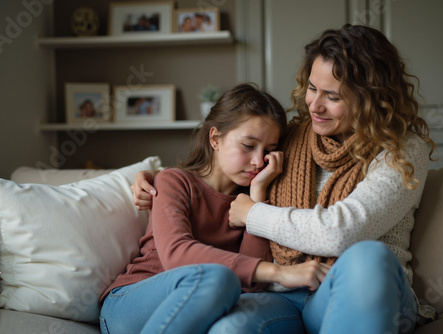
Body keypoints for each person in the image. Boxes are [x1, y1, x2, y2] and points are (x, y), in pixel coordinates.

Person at [131, 24, 437, 334]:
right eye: (312, 88)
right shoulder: (292, 138)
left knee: (368, 257)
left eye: (332, 96)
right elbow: (228, 165)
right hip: (286, 296)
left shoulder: (402, 150)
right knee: (230, 329)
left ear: (370, 98)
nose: (314, 105)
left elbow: (341, 232)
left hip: (361, 288)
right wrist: (156, 178)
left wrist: (253, 214)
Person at [99, 83, 331, 334]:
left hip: (192, 312)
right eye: (248, 145)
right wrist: (280, 273)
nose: (257, 160)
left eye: (269, 151)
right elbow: (177, 255)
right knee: (219, 277)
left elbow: (251, 287)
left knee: (225, 287)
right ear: (215, 138)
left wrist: (256, 198)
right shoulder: (173, 181)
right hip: (131, 302)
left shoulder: (248, 203)